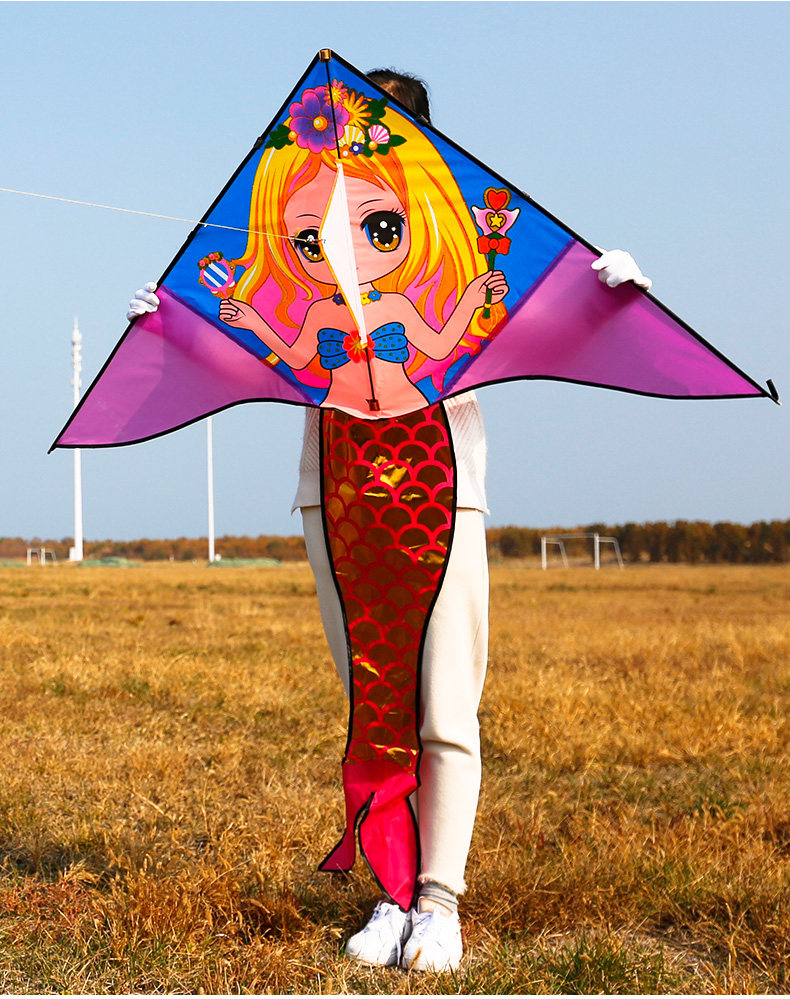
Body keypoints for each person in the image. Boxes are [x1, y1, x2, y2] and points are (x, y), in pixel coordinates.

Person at [128, 67, 651, 974]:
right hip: (336, 496)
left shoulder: (457, 255)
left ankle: (439, 900)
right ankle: (394, 889)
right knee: (376, 704)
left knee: (444, 701)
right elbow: (247, 338)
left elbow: (532, 311)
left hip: (440, 488)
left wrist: (612, 291)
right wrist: (172, 323)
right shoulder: (297, 263)